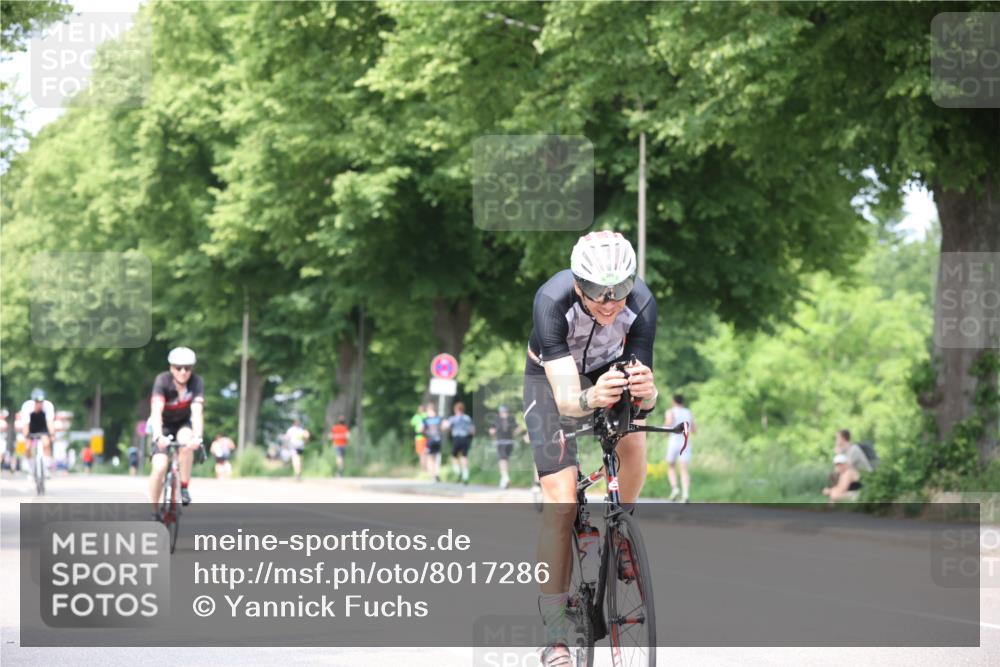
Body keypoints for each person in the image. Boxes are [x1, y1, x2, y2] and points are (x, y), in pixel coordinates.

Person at [523, 231, 661, 665]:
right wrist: (590, 398)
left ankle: (622, 530)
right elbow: (567, 400)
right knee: (561, 502)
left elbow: (643, 389)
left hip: (607, 371)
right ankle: (556, 634)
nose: (610, 301)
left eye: (620, 290)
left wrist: (648, 393)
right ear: (578, 283)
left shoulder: (641, 303)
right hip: (553, 383)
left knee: (634, 435)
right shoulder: (551, 300)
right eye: (600, 291)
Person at [148, 347, 205, 516]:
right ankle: (153, 510)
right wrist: (158, 435)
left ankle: (184, 486)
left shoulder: (196, 382)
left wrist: (198, 437)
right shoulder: (162, 381)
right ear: (171, 368)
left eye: (187, 368)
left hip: (183, 423)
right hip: (163, 425)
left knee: (187, 442)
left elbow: (197, 411)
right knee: (159, 467)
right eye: (178, 367)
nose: (183, 372)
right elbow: (156, 411)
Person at [664, 394, 697, 502]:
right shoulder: (688, 412)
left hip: (674, 441)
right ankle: (686, 494)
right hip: (685, 442)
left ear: (673, 401)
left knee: (671, 466)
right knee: (684, 469)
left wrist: (665, 432)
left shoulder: (671, 412)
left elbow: (668, 425)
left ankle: (675, 488)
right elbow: (694, 430)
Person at [19, 388, 55, 478]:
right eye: (37, 402)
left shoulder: (48, 406)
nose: (39, 404)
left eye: (41, 402)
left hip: (43, 426)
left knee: (46, 444)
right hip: (31, 426)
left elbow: (50, 422)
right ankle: (31, 469)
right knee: (27, 447)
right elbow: (25, 425)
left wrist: (52, 434)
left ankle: (46, 468)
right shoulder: (27, 406)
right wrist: (26, 437)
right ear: (34, 401)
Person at [490, 405, 522, 489]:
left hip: (501, 442)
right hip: (510, 442)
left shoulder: (497, 420)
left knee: (502, 460)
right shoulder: (511, 419)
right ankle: (503, 481)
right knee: (505, 460)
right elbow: (519, 428)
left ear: (500, 412)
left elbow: (492, 431)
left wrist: (494, 433)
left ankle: (505, 477)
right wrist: (513, 434)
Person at [445, 401, 474, 484]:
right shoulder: (467, 418)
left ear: (456, 410)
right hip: (465, 438)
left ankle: (458, 471)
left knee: (454, 456)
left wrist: (450, 429)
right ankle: (466, 475)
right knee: (464, 456)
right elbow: (472, 430)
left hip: (457, 438)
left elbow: (446, 427)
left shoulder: (453, 418)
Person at [420, 403, 444, 482]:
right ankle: (437, 473)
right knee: (437, 457)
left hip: (430, 440)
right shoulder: (439, 418)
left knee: (430, 458)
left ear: (429, 410)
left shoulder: (425, 420)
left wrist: (423, 432)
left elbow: (421, 429)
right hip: (438, 440)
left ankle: (432, 475)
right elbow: (444, 427)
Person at [410, 403, 429, 472]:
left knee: (422, 453)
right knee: (425, 453)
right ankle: (425, 468)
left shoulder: (417, 416)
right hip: (425, 437)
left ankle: (424, 469)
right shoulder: (427, 415)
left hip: (420, 437)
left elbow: (411, 423)